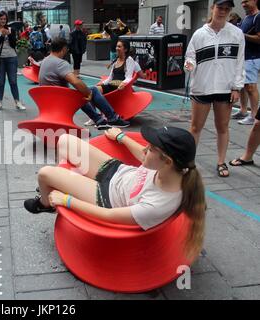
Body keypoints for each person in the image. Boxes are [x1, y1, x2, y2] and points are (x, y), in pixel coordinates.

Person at [24, 126, 206, 260]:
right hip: (116, 171)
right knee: (64, 140)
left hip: (105, 197)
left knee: (45, 174)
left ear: (167, 161)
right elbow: (143, 157)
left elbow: (108, 215)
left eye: (151, 148)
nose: (145, 149)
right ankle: (68, 180)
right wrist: (121, 137)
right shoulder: (170, 168)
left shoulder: (158, 204)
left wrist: (66, 200)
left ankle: (45, 205)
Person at [185, 0, 245, 178]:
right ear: (213, 8)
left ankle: (221, 161)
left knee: (223, 127)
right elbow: (190, 56)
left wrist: (237, 87)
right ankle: (189, 163)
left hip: (225, 88)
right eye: (220, 7)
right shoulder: (199, 34)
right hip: (202, 87)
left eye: (227, 9)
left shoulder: (236, 34)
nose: (223, 11)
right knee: (195, 127)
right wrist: (189, 64)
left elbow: (239, 62)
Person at [39, 37, 130, 128]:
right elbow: (75, 81)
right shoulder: (60, 63)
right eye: (67, 49)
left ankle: (99, 120)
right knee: (92, 90)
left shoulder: (45, 60)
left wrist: (85, 91)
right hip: (60, 99)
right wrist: (88, 92)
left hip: (47, 98)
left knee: (80, 93)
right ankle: (112, 118)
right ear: (63, 49)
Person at [231, 0, 260, 125]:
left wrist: (242, 35)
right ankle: (243, 111)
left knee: (251, 87)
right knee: (242, 85)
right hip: (244, 57)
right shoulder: (247, 17)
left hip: (253, 57)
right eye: (242, 2)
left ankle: (253, 115)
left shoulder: (258, 17)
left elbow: (259, 38)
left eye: (246, 1)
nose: (243, 4)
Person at [0, 11, 25, 111]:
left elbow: (14, 45)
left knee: (13, 81)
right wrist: (2, 36)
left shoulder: (11, 30)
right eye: (1, 19)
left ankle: (17, 102)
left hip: (11, 57)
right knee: (0, 82)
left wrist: (9, 35)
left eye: (4, 19)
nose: (3, 21)